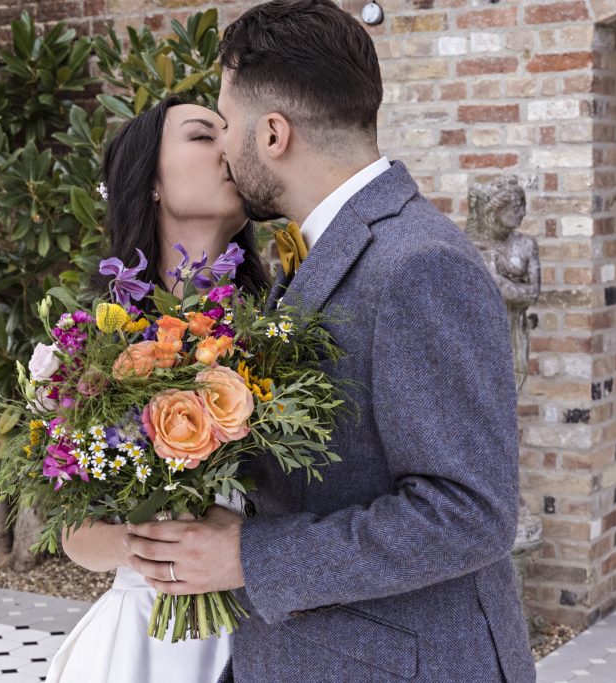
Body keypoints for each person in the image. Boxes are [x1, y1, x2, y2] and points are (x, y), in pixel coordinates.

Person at [123, 2, 538, 681]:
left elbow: (471, 511)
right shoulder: (319, 251)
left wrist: (249, 556)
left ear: (275, 134)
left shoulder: (417, 264)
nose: (225, 147)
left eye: (227, 125)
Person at [44, 96, 271, 683]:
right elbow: (73, 532)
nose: (230, 147)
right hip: (146, 644)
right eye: (203, 136)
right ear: (149, 182)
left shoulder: (280, 326)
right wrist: (147, 543)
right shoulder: (96, 344)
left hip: (271, 635)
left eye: (233, 133)